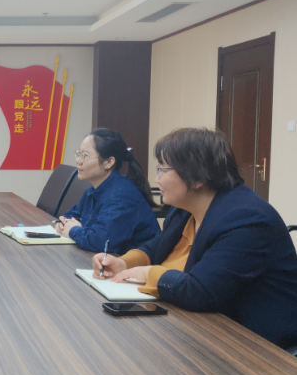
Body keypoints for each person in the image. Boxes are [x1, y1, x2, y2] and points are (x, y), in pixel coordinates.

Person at [93, 128, 297, 349]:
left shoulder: (247, 219)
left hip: (254, 347)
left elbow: (200, 291)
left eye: (163, 169)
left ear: (198, 176)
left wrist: (146, 273)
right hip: (196, 327)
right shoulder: (184, 209)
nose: (157, 178)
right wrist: (124, 263)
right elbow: (158, 245)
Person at [55, 128, 160, 253]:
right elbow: (70, 215)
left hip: (133, 262)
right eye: (78, 154)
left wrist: (73, 230)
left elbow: (100, 241)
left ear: (109, 162)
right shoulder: (93, 190)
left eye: (85, 156)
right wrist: (62, 223)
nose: (78, 161)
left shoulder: (121, 196)